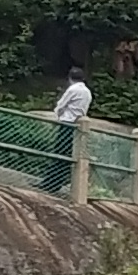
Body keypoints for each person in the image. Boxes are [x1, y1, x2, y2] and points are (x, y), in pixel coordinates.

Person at [46, 68, 91, 196]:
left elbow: (61, 105)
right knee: (68, 154)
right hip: (77, 125)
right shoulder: (87, 92)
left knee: (59, 153)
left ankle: (49, 183)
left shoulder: (73, 89)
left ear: (70, 78)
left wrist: (57, 114)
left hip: (66, 122)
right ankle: (58, 183)